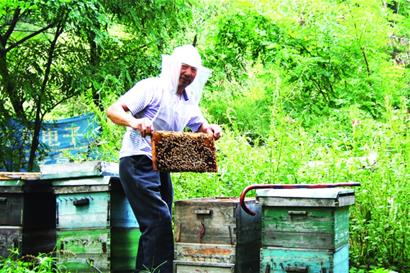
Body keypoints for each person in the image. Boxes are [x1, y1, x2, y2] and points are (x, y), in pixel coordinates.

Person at [106, 44, 222, 273]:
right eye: (184, 67)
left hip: (161, 165)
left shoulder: (188, 100)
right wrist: (134, 122)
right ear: (172, 66)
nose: (188, 73)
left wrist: (213, 129)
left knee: (159, 223)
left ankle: (148, 270)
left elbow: (202, 127)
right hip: (137, 161)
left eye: (194, 70)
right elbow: (114, 110)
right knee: (157, 220)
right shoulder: (152, 88)